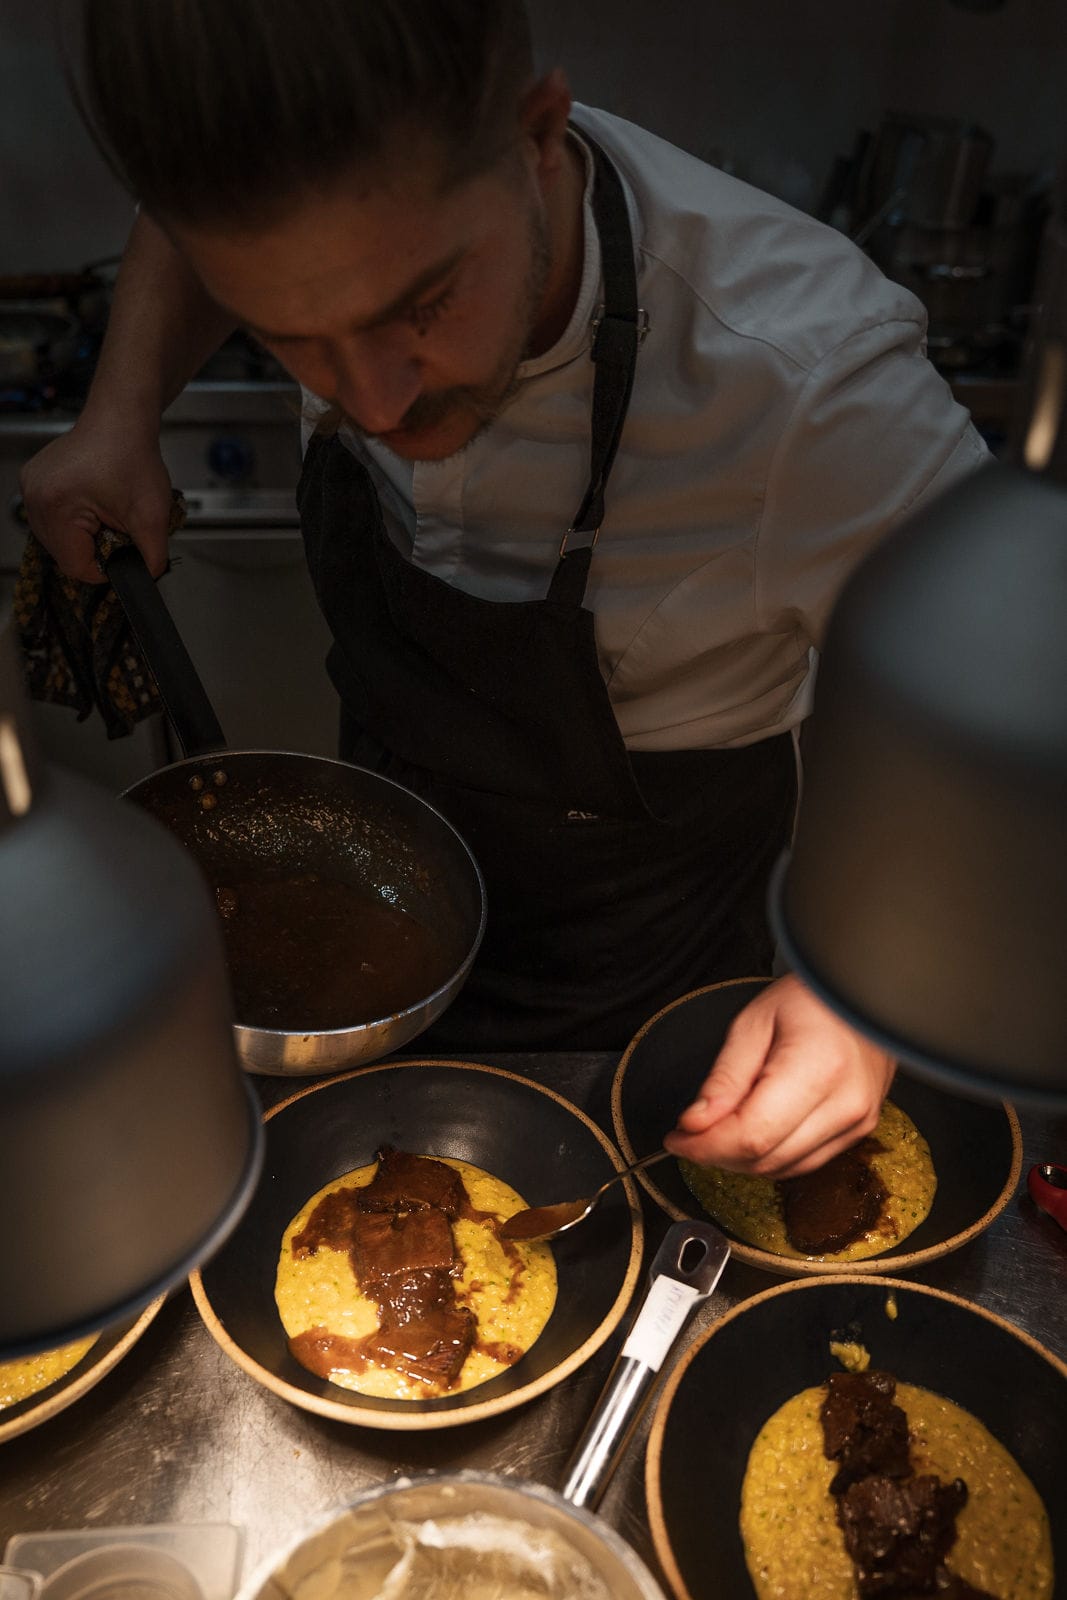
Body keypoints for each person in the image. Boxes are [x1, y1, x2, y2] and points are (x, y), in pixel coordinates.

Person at [22, 1, 988, 1179]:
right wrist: (121, 410)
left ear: (539, 134)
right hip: (372, 883)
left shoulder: (808, 383)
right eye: (293, 335)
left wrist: (864, 983)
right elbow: (181, 234)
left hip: (634, 976)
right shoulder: (296, 227)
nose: (372, 403)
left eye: (417, 307)